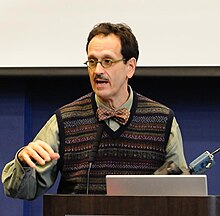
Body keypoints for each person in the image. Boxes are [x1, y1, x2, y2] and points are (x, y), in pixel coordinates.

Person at [2, 22, 189, 200]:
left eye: (107, 61)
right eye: (92, 61)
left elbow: (183, 192)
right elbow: (19, 190)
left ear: (130, 67)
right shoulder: (66, 120)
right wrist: (23, 162)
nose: (97, 70)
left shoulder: (162, 120)